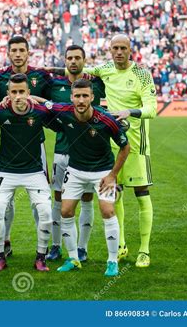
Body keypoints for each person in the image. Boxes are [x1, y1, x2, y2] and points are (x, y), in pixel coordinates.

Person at [82, 34, 157, 267]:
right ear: (110, 50)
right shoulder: (105, 69)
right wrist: (46, 68)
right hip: (114, 143)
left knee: (142, 193)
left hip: (137, 144)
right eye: (115, 48)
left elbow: (152, 109)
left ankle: (144, 250)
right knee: (117, 192)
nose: (119, 52)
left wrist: (129, 112)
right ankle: (122, 243)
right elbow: (79, 68)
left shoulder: (143, 75)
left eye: (123, 48)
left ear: (130, 50)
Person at [44, 78, 130, 276]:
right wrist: (27, 98)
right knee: (65, 211)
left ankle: (112, 261)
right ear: (71, 97)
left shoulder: (106, 119)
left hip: (103, 172)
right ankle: (73, 258)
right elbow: (44, 104)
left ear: (92, 97)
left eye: (85, 96)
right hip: (75, 170)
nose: (81, 100)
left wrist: (112, 175)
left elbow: (126, 148)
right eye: (77, 96)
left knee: (108, 211)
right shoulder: (64, 111)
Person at [0, 35, 53, 258]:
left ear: (28, 52)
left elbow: (57, 104)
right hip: (9, 146)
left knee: (41, 202)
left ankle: (45, 248)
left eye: (21, 50)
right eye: (13, 50)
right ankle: (5, 242)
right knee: (4, 202)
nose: (17, 54)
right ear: (8, 53)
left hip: (37, 145)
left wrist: (35, 98)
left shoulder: (41, 76)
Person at [47, 45, 106, 262]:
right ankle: (55, 246)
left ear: (84, 60)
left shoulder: (96, 84)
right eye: (69, 58)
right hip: (63, 151)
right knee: (59, 199)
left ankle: (82, 248)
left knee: (87, 198)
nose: (73, 61)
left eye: (77, 58)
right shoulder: (55, 85)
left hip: (90, 153)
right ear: (64, 60)